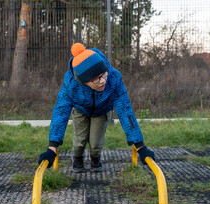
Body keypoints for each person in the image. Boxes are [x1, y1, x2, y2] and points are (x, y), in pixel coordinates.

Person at [38, 43, 155, 172]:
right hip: (80, 110)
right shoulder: (71, 84)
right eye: (96, 79)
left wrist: (140, 146)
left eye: (104, 75)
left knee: (95, 144)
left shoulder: (114, 78)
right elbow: (60, 113)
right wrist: (52, 147)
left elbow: (125, 111)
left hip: (101, 110)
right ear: (84, 82)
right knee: (79, 141)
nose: (103, 81)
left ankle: (95, 157)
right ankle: (77, 158)